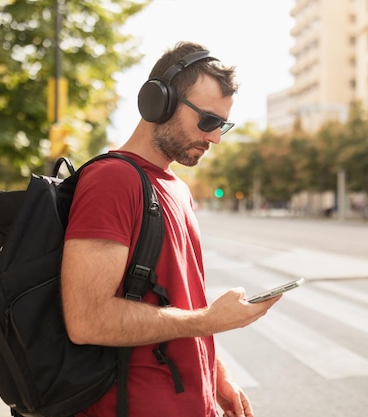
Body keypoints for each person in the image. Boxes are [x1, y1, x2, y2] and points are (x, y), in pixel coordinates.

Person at [61, 41, 281, 417]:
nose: (216, 138)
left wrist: (213, 374)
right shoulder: (112, 180)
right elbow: (87, 319)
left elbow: (178, 303)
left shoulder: (176, 188)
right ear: (157, 102)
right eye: (208, 121)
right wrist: (210, 321)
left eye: (222, 125)